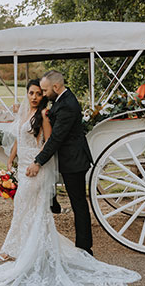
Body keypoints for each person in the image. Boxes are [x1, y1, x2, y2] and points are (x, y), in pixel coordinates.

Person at [0, 78, 140, 286]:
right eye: (32, 92)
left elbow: (50, 141)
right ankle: (22, 245)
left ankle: (14, 248)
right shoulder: (29, 111)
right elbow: (17, 138)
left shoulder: (45, 114)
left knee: (27, 205)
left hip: (36, 167)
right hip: (24, 165)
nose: (36, 96)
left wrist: (37, 163)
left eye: (39, 92)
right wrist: (11, 160)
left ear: (49, 91)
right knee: (26, 207)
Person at [26, 70, 94, 254]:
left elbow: (56, 138)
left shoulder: (67, 106)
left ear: (56, 87)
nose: (44, 94)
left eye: (45, 90)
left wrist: (38, 162)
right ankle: (53, 201)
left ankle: (85, 248)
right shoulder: (62, 99)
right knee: (77, 202)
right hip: (68, 158)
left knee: (78, 203)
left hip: (74, 160)